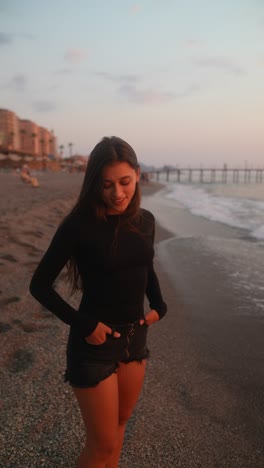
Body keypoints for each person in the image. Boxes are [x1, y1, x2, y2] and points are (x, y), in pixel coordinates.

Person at [29, 136, 167, 468]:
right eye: (106, 185)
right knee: (101, 446)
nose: (117, 193)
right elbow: (39, 285)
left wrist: (159, 306)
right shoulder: (78, 225)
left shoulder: (145, 221)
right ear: (94, 183)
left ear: (136, 174)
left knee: (120, 424)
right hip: (93, 344)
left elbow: (144, 264)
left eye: (125, 182)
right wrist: (84, 323)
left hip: (135, 339)